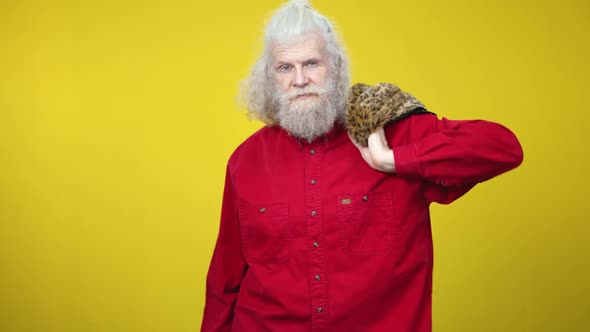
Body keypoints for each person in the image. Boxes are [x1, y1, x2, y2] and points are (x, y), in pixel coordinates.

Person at [200, 0, 523, 331]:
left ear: (336, 67)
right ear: (270, 79)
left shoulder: (391, 135)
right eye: (285, 68)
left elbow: (502, 147)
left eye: (312, 63)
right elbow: (225, 281)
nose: (300, 80)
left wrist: (394, 161)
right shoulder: (245, 162)